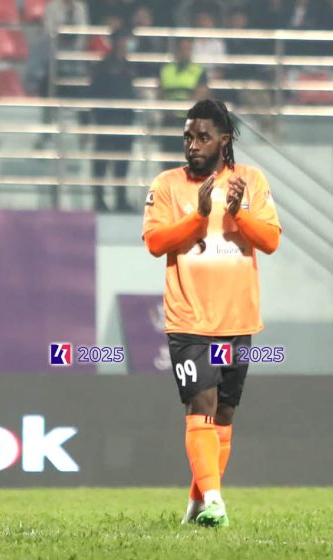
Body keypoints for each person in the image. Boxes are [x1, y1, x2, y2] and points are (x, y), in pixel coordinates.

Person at [141, 99, 281, 528]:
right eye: (188, 137)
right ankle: (217, 503)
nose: (193, 145)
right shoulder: (167, 184)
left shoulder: (250, 181)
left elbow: (270, 240)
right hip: (189, 320)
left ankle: (196, 503)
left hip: (237, 319)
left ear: (224, 140)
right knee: (200, 405)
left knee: (223, 415)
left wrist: (238, 213)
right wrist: (198, 217)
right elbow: (155, 242)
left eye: (202, 137)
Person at [88, 30, 135, 213]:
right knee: (101, 161)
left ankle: (120, 199)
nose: (124, 44)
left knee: (122, 162)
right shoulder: (102, 66)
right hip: (106, 118)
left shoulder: (128, 66)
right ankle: (99, 199)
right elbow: (94, 92)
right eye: (121, 40)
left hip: (125, 119)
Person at [157, 38, 207, 154]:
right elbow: (160, 92)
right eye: (182, 49)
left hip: (190, 122)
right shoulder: (165, 69)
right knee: (168, 157)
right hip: (169, 120)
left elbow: (201, 93)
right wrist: (169, 110)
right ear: (176, 50)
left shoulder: (198, 70)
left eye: (187, 49)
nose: (185, 52)